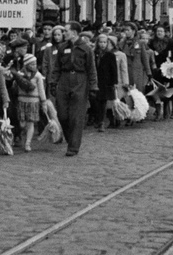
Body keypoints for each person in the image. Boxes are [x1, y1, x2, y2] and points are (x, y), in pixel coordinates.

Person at [49, 21, 98, 156]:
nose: (64, 33)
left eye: (66, 31)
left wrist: (93, 86)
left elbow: (91, 69)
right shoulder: (62, 47)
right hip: (64, 80)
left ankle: (73, 147)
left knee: (76, 116)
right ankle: (71, 138)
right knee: (62, 114)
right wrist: (53, 82)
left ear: (74, 32)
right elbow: (56, 67)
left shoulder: (86, 48)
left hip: (80, 80)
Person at [12, 52, 45, 151]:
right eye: (32, 64)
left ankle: (28, 143)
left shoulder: (38, 75)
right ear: (27, 64)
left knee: (30, 123)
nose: (35, 66)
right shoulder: (20, 74)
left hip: (33, 102)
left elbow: (41, 89)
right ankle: (21, 134)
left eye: (35, 64)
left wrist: (43, 101)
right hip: (22, 101)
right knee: (22, 123)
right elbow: (15, 87)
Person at [92, 33, 118, 132]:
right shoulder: (93, 53)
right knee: (94, 101)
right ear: (97, 43)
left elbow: (113, 69)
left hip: (105, 81)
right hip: (95, 80)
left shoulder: (110, 55)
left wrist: (114, 82)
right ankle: (97, 119)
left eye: (104, 42)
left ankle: (101, 122)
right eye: (100, 42)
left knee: (102, 102)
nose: (102, 44)